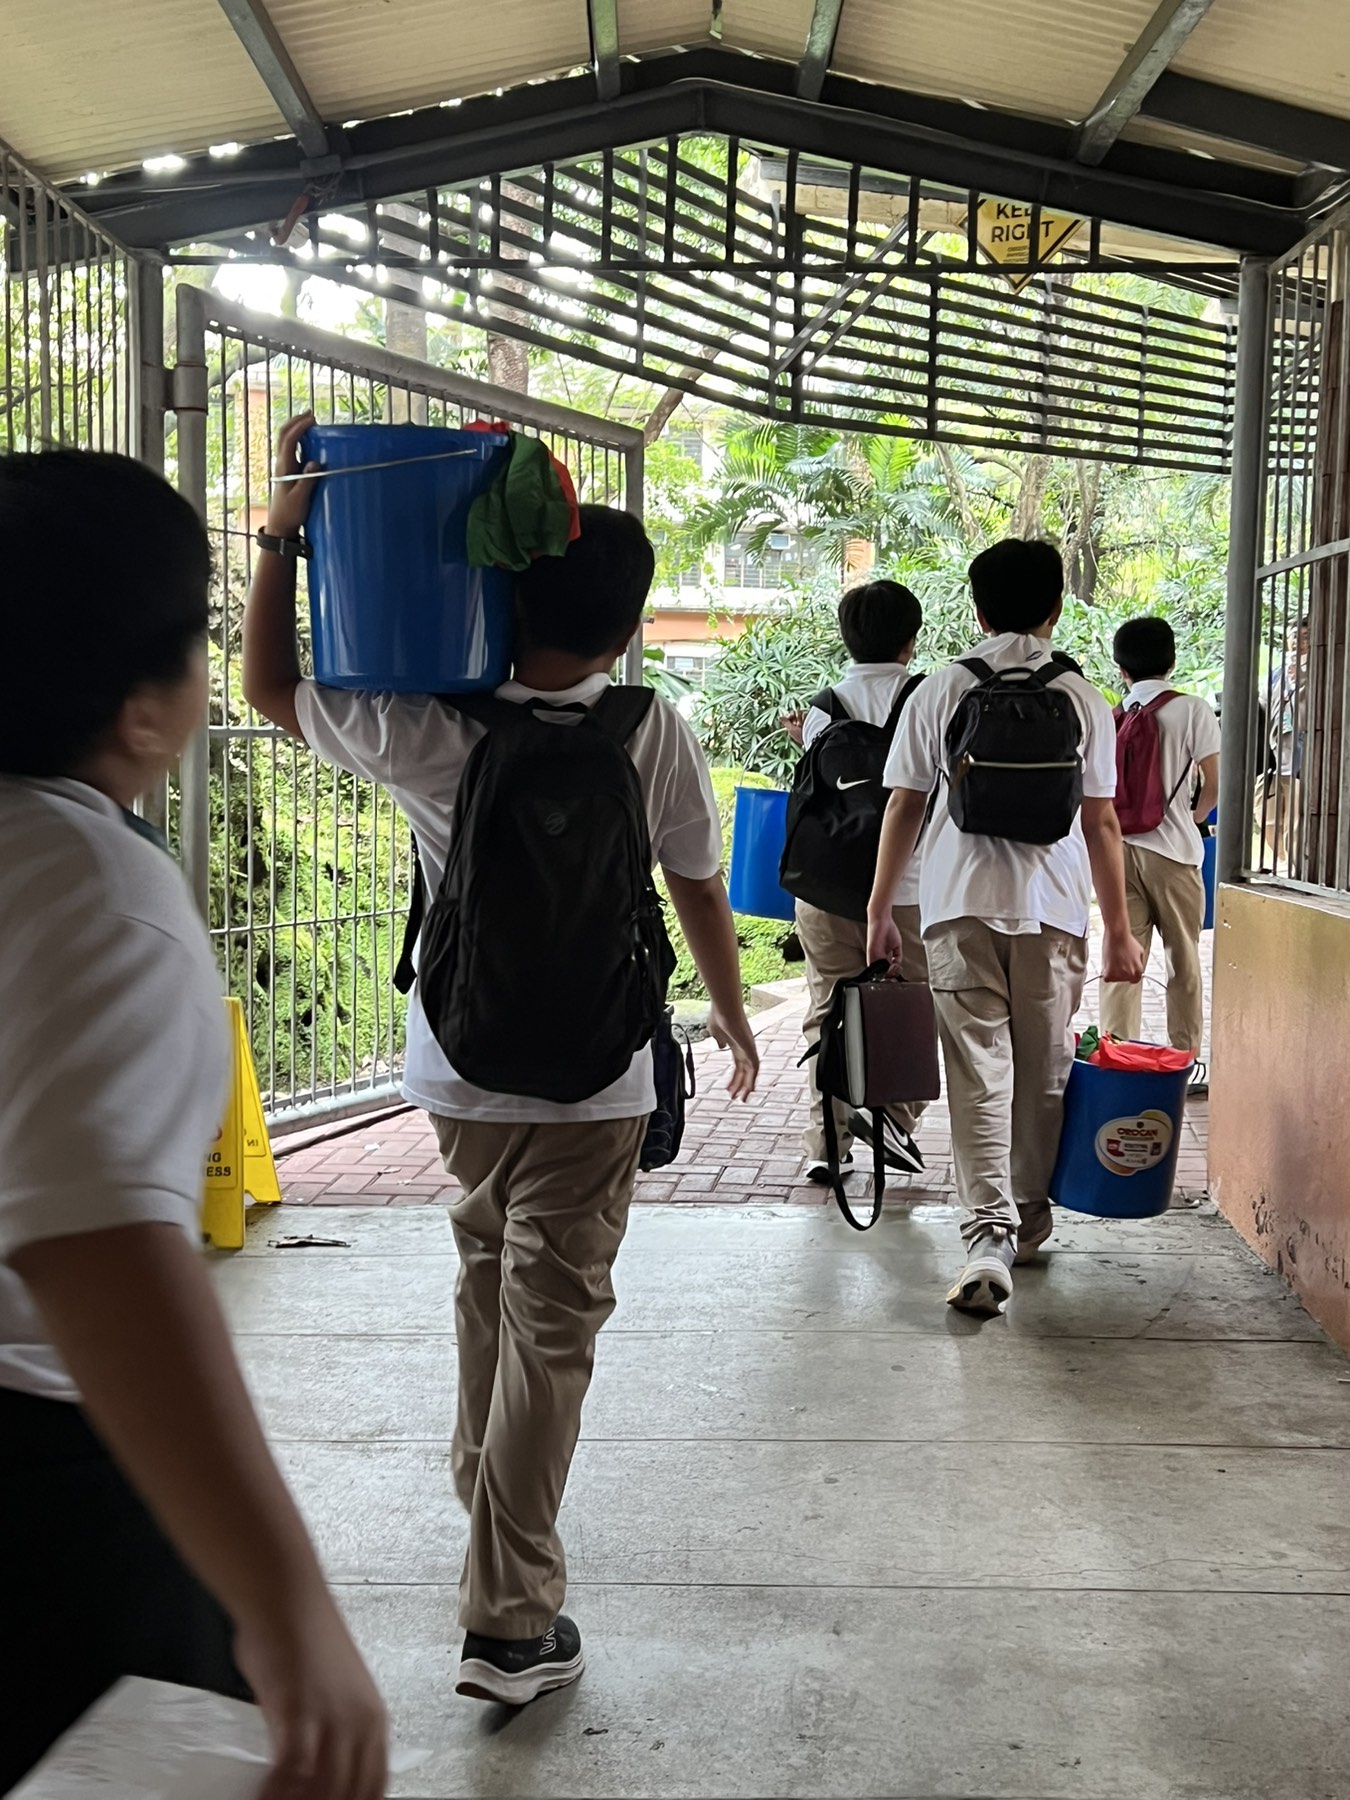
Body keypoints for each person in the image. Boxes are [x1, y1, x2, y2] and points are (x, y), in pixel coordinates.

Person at [243, 414, 759, 1707]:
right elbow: (696, 886)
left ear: (505, 595)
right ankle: (512, 1623)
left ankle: (483, 1485)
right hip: (599, 1076)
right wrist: (733, 1016)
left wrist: (281, 538)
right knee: (554, 1328)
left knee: (488, 1273)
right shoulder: (650, 728)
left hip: (458, 1066)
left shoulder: (427, 726)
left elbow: (267, 689)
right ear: (626, 631)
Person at [0, 451, 386, 1798]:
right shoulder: (90, 886)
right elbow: (99, 1251)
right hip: (41, 1496)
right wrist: (287, 1608)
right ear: (143, 705)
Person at [865, 539, 1145, 1315]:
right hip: (1053, 910)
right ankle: (1028, 1222)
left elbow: (904, 805)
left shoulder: (941, 687)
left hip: (957, 906)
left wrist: (881, 910)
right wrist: (1119, 929)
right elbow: (1103, 822)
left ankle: (986, 1236)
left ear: (978, 611)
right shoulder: (1082, 695)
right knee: (1044, 1072)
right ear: (1055, 608)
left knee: (977, 1074)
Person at [791, 580, 931, 1183]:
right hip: (909, 891)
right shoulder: (927, 699)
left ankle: (826, 1143)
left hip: (827, 888)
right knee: (910, 1010)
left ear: (847, 638)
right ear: (910, 640)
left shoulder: (824, 708)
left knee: (827, 1010)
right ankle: (893, 1121)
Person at [1100, 617, 1220, 1056]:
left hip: (1119, 852)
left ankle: (1116, 1053)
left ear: (1122, 669)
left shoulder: (1112, 717)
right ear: (1171, 661)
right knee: (1182, 959)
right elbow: (1214, 782)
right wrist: (1195, 816)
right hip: (1174, 853)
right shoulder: (1193, 710)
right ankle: (1184, 1057)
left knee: (1123, 960)